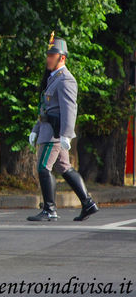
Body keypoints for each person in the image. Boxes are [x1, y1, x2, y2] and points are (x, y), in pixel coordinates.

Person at [27, 33, 99, 222]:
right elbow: (45, 107)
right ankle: (88, 203)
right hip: (47, 129)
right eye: (48, 55)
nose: (48, 59)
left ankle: (50, 209)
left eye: (52, 56)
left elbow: (70, 108)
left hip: (54, 134)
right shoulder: (53, 78)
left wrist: (67, 134)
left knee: (43, 167)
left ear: (63, 58)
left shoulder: (66, 79)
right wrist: (35, 129)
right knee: (64, 167)